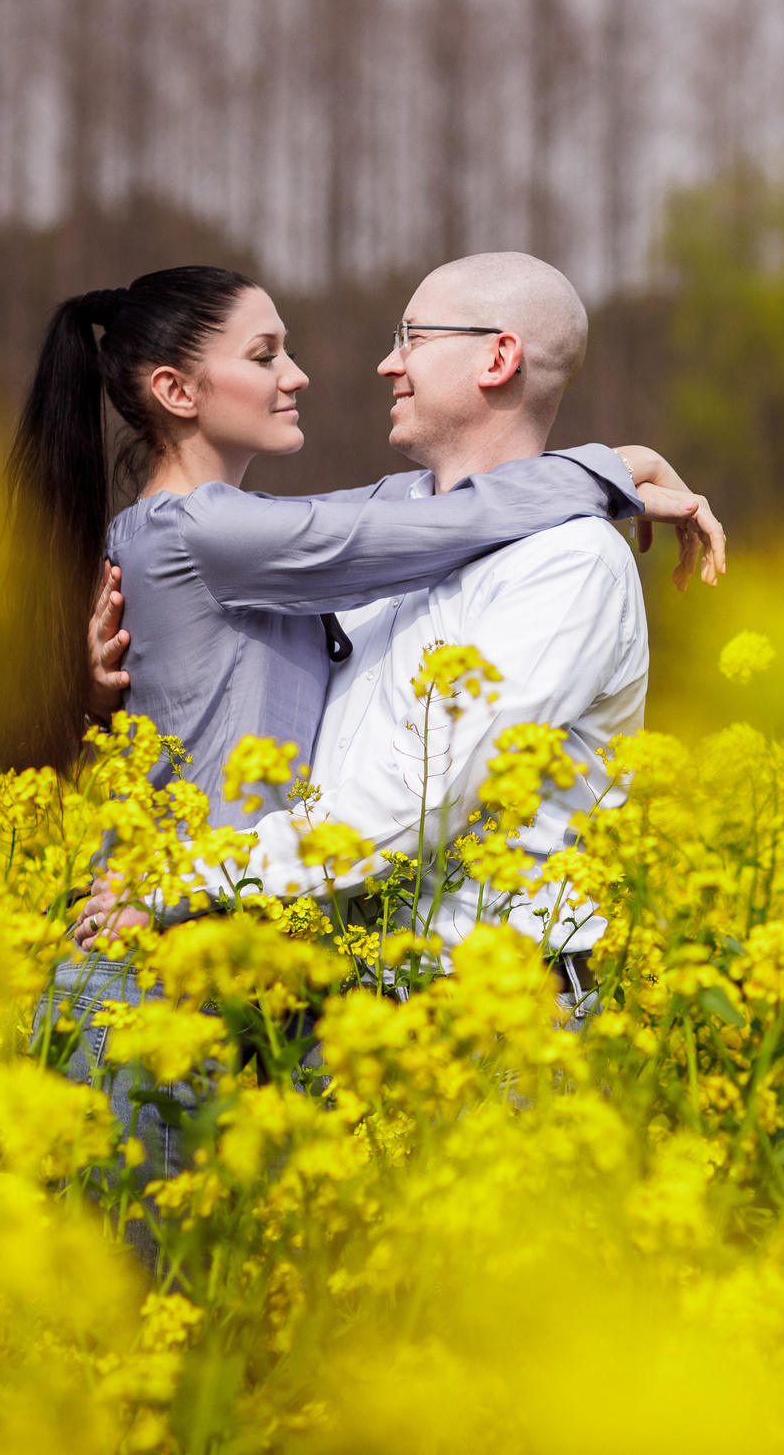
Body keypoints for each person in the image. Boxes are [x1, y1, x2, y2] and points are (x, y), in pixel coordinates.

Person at [10, 264, 719, 1190]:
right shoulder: (223, 535)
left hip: (394, 1008)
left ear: (499, 358)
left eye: (410, 340)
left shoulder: (552, 561)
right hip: (182, 968)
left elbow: (410, 786)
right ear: (176, 392)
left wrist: (601, 473)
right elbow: (396, 536)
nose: (368, 367)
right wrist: (605, 469)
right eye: (267, 355)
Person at [228, 252, 679, 1015]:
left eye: (411, 337)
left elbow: (424, 795)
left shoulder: (570, 562)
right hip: (341, 1012)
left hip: (487, 1020)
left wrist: (193, 874)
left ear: (499, 357)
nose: (386, 364)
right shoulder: (384, 531)